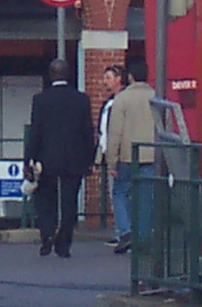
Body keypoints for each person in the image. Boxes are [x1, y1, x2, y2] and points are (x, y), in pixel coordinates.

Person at [25, 58, 96, 259]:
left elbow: (35, 131)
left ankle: (47, 233)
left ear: (50, 74)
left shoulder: (40, 99)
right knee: (69, 202)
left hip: (46, 158)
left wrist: (29, 159)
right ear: (68, 74)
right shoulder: (82, 99)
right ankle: (63, 243)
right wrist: (90, 159)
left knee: (45, 198)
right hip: (74, 158)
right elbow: (87, 132)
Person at [105, 57, 157, 254]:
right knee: (146, 198)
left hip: (127, 156)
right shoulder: (156, 96)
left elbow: (115, 133)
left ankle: (125, 231)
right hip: (152, 155)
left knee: (120, 193)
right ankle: (142, 239)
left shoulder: (122, 99)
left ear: (130, 77)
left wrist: (111, 162)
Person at [97, 64, 127, 247]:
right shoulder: (109, 102)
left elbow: (111, 132)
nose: (104, 82)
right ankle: (122, 231)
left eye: (108, 78)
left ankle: (125, 233)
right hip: (113, 153)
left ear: (118, 79)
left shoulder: (117, 102)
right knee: (118, 193)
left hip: (119, 156)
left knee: (119, 193)